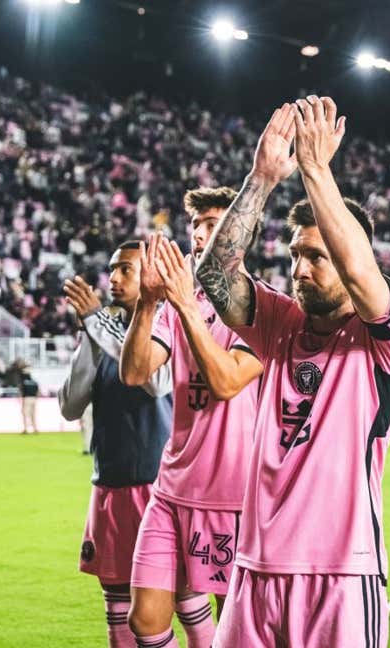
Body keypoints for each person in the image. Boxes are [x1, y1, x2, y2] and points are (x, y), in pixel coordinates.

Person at [199, 98, 390, 647]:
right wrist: (262, 177)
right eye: (296, 254)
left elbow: (365, 279)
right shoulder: (279, 323)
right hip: (253, 567)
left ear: (350, 259)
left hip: (343, 573)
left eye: (316, 257)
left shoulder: (387, 338)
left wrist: (317, 171)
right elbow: (215, 275)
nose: (299, 268)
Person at [118, 187, 263, 648]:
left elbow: (226, 383)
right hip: (172, 488)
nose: (202, 235)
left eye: (215, 224)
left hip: (234, 497)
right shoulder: (182, 304)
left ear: (243, 236)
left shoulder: (262, 308)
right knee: (144, 620)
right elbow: (135, 371)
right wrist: (147, 301)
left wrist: (180, 304)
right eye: (197, 225)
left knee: (234, 630)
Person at [57, 241, 173, 648]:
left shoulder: (168, 327)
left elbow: (155, 382)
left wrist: (96, 323)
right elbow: (71, 406)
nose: (113, 278)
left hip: (161, 491)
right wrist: (91, 333)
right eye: (112, 269)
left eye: (126, 269)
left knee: (184, 605)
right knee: (116, 607)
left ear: (152, 276)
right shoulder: (100, 330)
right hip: (108, 487)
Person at [20, 366, 40, 434]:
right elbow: (38, 391)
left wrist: (22, 399)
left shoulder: (23, 382)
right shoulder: (34, 382)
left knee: (25, 414)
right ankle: (35, 429)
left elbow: (22, 391)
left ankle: (25, 429)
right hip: (34, 399)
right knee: (33, 414)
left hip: (27, 399)